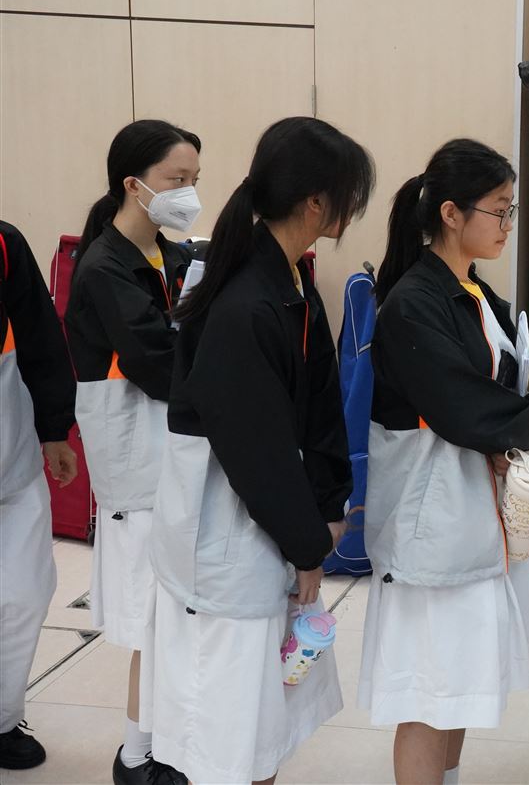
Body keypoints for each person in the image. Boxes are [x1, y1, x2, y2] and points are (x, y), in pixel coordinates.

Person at [141, 117, 373, 785]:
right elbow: (256, 451)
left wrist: (328, 508)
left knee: (261, 733)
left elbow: (322, 408)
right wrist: (308, 544)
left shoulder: (290, 283)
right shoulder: (244, 301)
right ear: (315, 202)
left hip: (266, 532)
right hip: (225, 548)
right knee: (227, 743)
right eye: (349, 193)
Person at [360, 139, 529, 785]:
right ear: (451, 213)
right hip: (432, 523)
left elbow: (504, 385)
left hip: (474, 518)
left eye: (510, 210)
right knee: (429, 694)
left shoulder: (472, 291)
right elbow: (462, 405)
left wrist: (527, 423)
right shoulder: (413, 303)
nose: (507, 224)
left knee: (460, 683)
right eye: (499, 210)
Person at [65, 119, 201, 785]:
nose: (189, 193)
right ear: (133, 184)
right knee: (153, 619)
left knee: (175, 620)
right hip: (139, 465)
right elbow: (157, 361)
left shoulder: (172, 256)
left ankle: (160, 747)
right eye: (177, 179)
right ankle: (136, 756)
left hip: (176, 454)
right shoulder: (103, 267)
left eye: (194, 179)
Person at [0, 221, 78, 770]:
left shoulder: (4, 244)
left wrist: (54, 430)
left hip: (13, 461)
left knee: (25, 594)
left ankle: (3, 719)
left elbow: (40, 339)